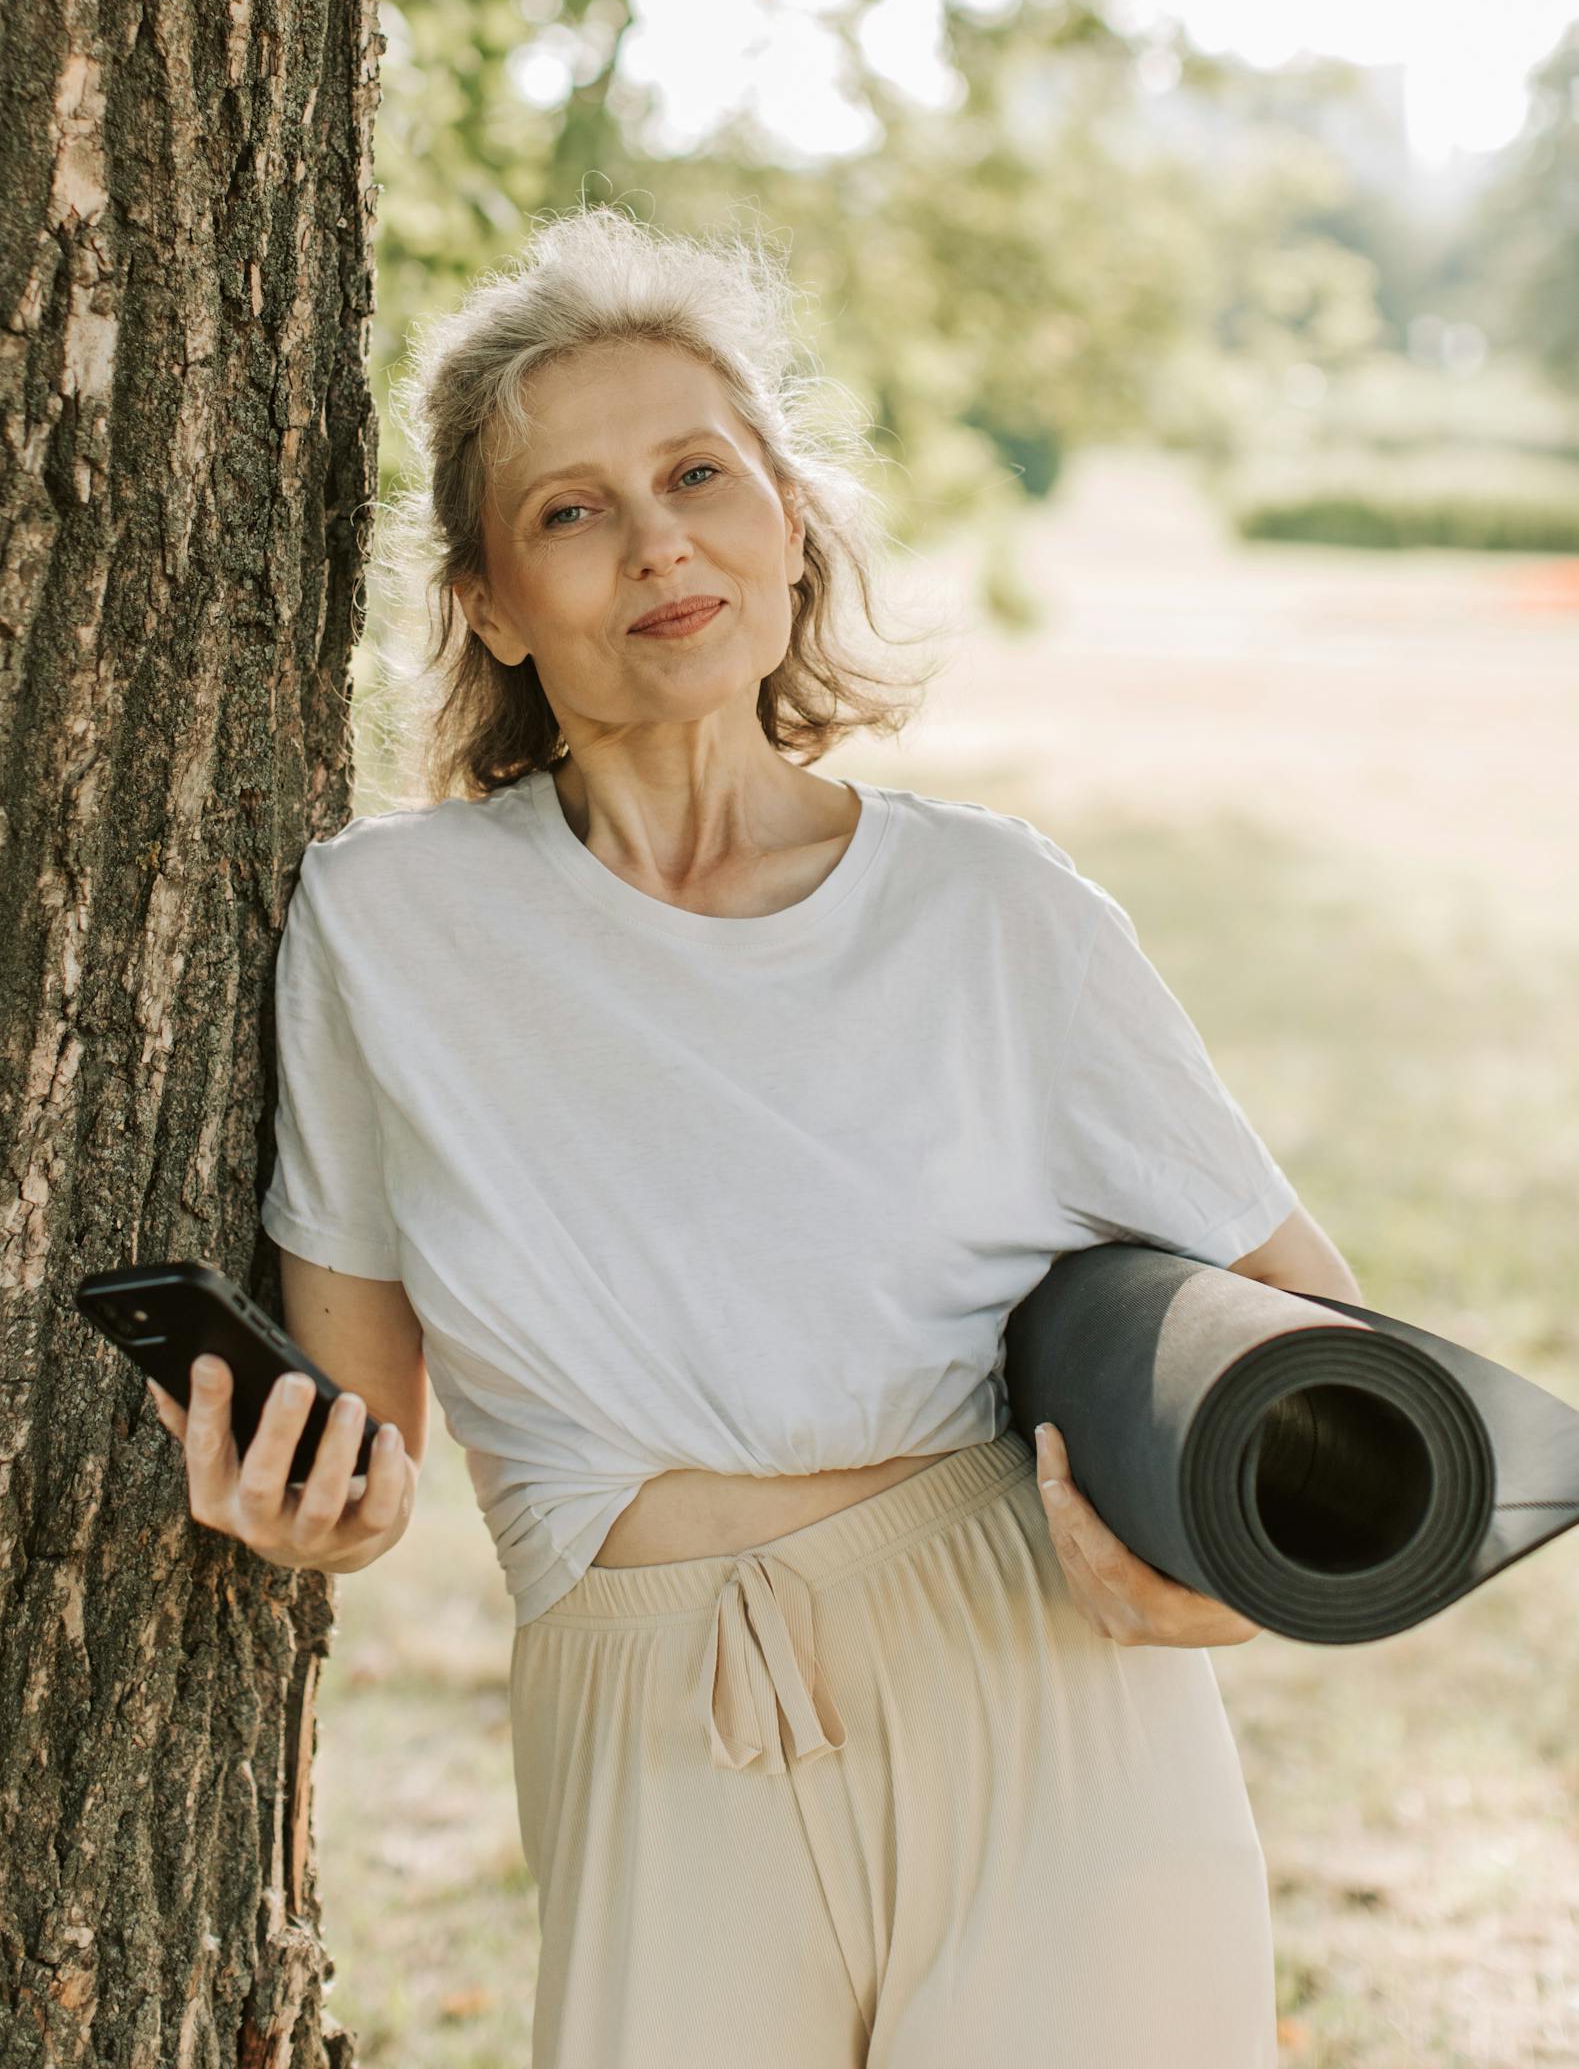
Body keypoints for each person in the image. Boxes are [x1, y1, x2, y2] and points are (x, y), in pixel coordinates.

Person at [147, 204, 1362, 2067]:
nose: (657, 542)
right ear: (484, 597)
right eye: (570, 510)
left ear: (789, 519)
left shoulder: (997, 910)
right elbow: (360, 1433)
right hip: (647, 1707)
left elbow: (1320, 1348)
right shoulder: (383, 925)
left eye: (700, 473)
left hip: (1042, 1679)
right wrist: (304, 1512)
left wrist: (1224, 1584)